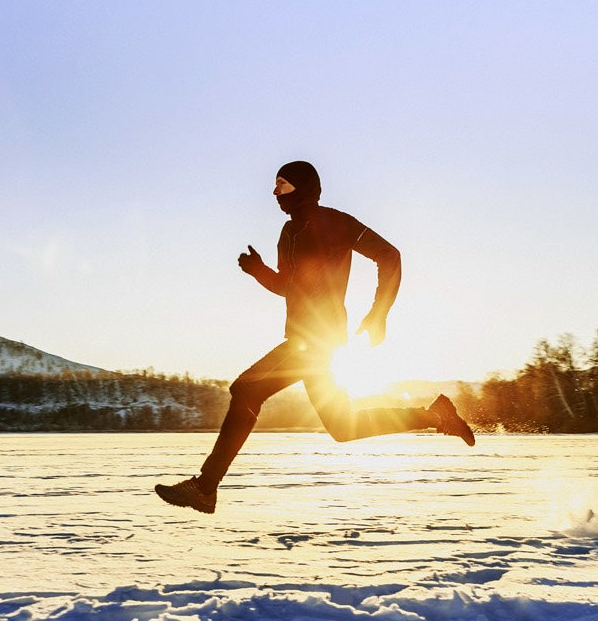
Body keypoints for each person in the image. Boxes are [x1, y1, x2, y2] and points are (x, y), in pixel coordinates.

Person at [155, 160, 474, 514]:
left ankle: (205, 487)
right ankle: (435, 416)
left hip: (318, 339)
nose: (275, 192)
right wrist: (259, 271)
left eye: (283, 184)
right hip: (305, 340)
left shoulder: (336, 223)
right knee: (342, 425)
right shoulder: (287, 234)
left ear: (304, 187)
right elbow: (288, 286)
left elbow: (390, 255)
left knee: (246, 389)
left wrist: (378, 313)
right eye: (276, 186)